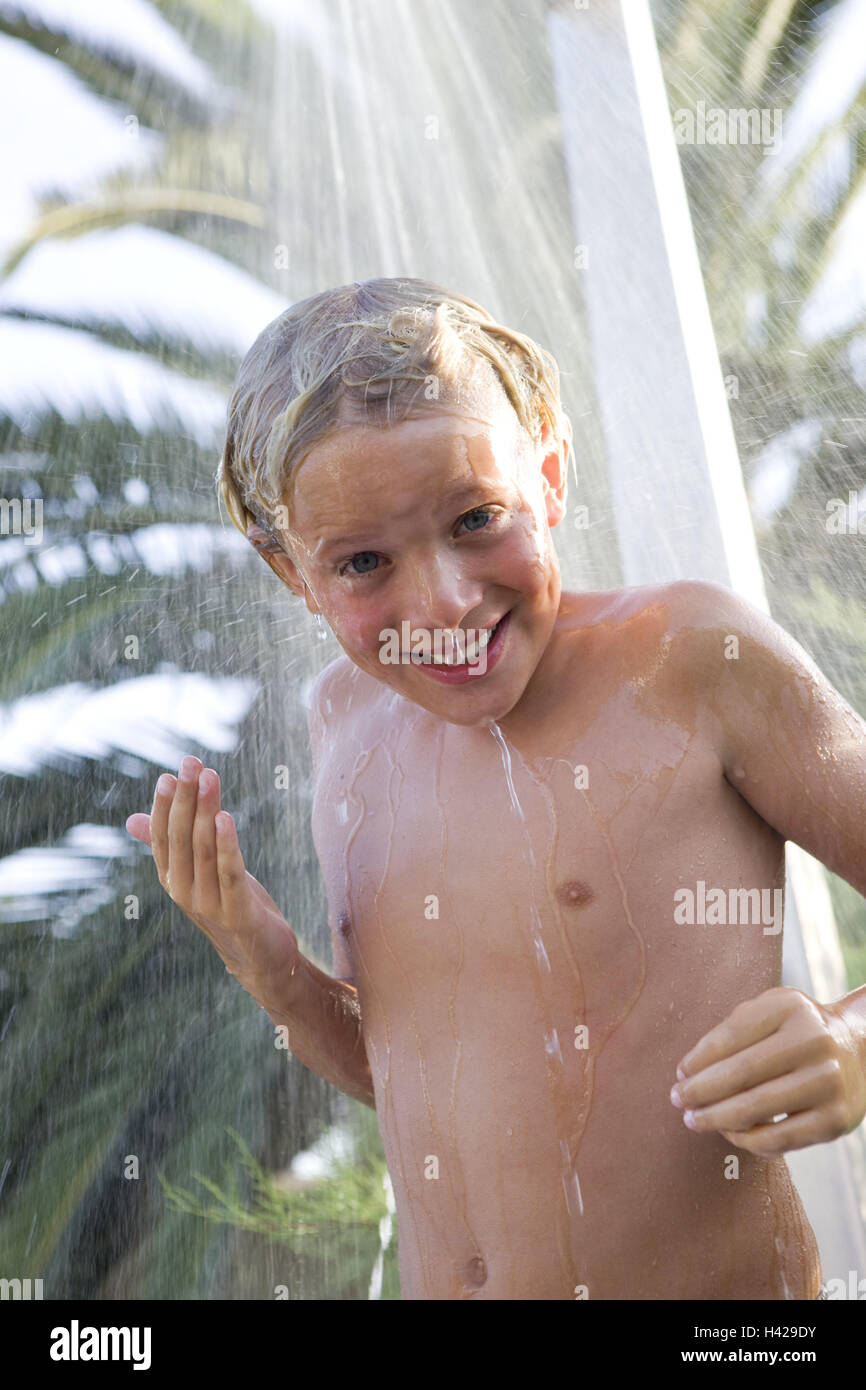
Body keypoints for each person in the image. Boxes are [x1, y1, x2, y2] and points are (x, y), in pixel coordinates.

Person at [125, 277, 866, 1300]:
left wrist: (850, 1039)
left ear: (550, 473)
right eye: (363, 562)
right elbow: (414, 1083)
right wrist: (262, 957)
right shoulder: (344, 729)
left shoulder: (690, 660)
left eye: (476, 518)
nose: (441, 600)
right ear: (291, 571)